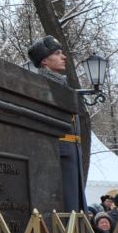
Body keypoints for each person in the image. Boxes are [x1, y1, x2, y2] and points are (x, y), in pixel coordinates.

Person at [26, 36, 85, 214]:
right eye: (57, 53)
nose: (64, 57)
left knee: (76, 205)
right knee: (66, 208)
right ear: (44, 61)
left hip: (71, 151)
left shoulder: (60, 85)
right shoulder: (40, 85)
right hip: (59, 152)